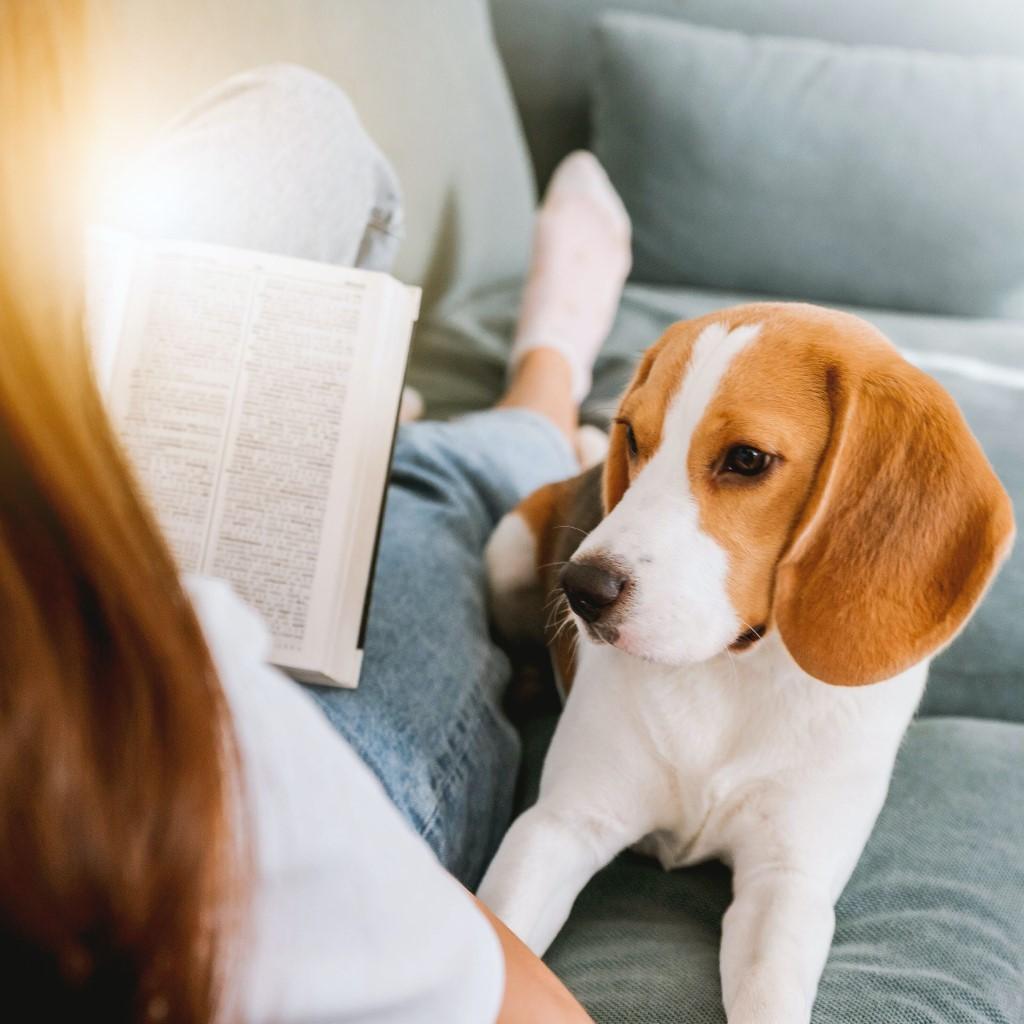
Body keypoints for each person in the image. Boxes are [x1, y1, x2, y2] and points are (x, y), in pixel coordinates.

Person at [0, 4, 634, 1021]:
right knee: (426, 503)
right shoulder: (162, 748)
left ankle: (373, 424)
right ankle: (539, 394)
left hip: (67, 493)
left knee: (297, 128)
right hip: (179, 694)